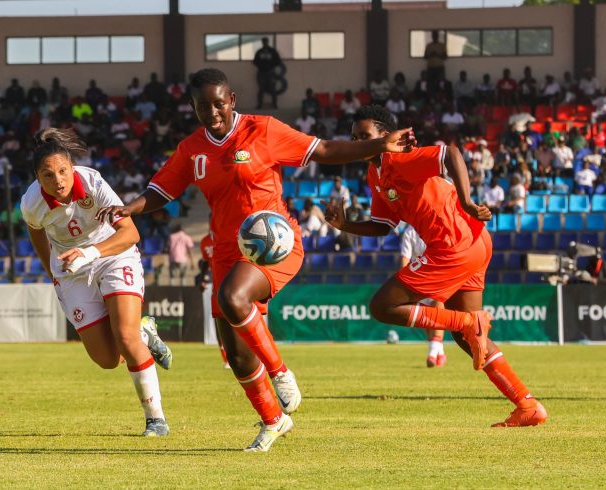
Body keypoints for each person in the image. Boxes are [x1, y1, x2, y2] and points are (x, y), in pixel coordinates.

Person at [96, 68, 415, 452]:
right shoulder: (192, 149)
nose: (212, 111)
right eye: (202, 106)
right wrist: (127, 208)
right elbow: (161, 190)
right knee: (237, 354)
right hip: (227, 252)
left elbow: (324, 150)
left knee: (234, 298)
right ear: (194, 108)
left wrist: (376, 147)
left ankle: (280, 372)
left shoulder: (263, 130)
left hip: (274, 245)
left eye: (218, 103)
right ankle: (273, 420)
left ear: (231, 100)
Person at [324, 105, 547, 428]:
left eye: (365, 136)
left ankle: (470, 323)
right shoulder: (376, 172)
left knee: (383, 306)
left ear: (385, 137)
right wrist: (346, 226)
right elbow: (383, 224)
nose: (358, 141)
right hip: (472, 241)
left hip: (453, 245)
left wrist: (469, 200)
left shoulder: (399, 158)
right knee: (464, 336)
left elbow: (451, 154)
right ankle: (527, 405)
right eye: (355, 137)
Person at [20, 128, 173, 437]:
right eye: (48, 175)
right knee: (106, 359)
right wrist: (51, 269)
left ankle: (155, 419)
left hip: (112, 255)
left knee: (126, 337)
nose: (58, 180)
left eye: (63, 171)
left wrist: (90, 252)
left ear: (72, 168)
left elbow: (130, 234)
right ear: (38, 179)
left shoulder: (93, 183)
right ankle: (146, 331)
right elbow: (35, 230)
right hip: (70, 270)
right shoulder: (31, 203)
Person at [400, 224, 446, 367]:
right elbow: (405, 260)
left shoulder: (437, 227)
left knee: (438, 307)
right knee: (427, 318)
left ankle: (432, 353)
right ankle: (439, 351)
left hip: (438, 275)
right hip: (418, 279)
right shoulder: (409, 232)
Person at [200, 230, 229, 368]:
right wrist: (203, 278)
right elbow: (205, 262)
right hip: (216, 285)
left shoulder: (227, 235)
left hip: (232, 282)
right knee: (219, 320)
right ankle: (226, 358)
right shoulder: (205, 242)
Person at [253, 37, 282, 109]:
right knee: (261, 89)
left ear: (267, 42)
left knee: (272, 88)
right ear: (262, 42)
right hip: (261, 73)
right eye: (263, 41)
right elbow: (255, 62)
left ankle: (275, 105)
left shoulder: (272, 51)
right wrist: (261, 66)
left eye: (266, 41)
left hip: (270, 73)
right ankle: (259, 105)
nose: (265, 43)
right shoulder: (259, 51)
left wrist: (271, 66)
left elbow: (278, 61)